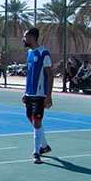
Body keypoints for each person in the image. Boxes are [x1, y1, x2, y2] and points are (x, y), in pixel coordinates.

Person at [22, 27, 53, 164]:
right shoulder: (29, 53)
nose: (23, 39)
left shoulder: (43, 53)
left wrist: (48, 95)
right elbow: (30, 74)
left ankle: (36, 152)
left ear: (32, 38)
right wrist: (25, 92)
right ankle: (45, 146)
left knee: (37, 121)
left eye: (25, 37)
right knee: (32, 119)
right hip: (30, 93)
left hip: (40, 94)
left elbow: (50, 74)